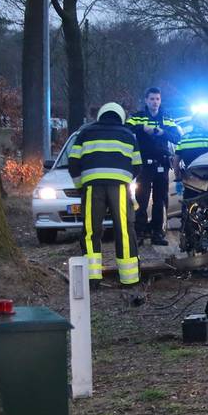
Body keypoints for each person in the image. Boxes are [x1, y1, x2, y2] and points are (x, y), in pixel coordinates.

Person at [68, 103, 143, 290]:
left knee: (91, 230)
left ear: (100, 115)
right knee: (124, 230)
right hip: (119, 187)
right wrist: (124, 178)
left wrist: (81, 187)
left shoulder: (85, 133)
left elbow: (73, 163)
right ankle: (129, 278)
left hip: (93, 186)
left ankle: (92, 278)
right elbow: (137, 165)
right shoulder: (128, 134)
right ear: (121, 117)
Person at [127, 87, 181, 245]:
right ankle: (139, 233)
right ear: (146, 100)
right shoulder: (138, 117)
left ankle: (158, 233)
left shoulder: (166, 118)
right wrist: (142, 129)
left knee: (160, 200)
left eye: (157, 99)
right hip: (144, 164)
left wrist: (162, 133)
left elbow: (177, 137)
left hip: (162, 164)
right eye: (152, 99)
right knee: (141, 199)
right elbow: (126, 128)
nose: (155, 102)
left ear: (160, 100)